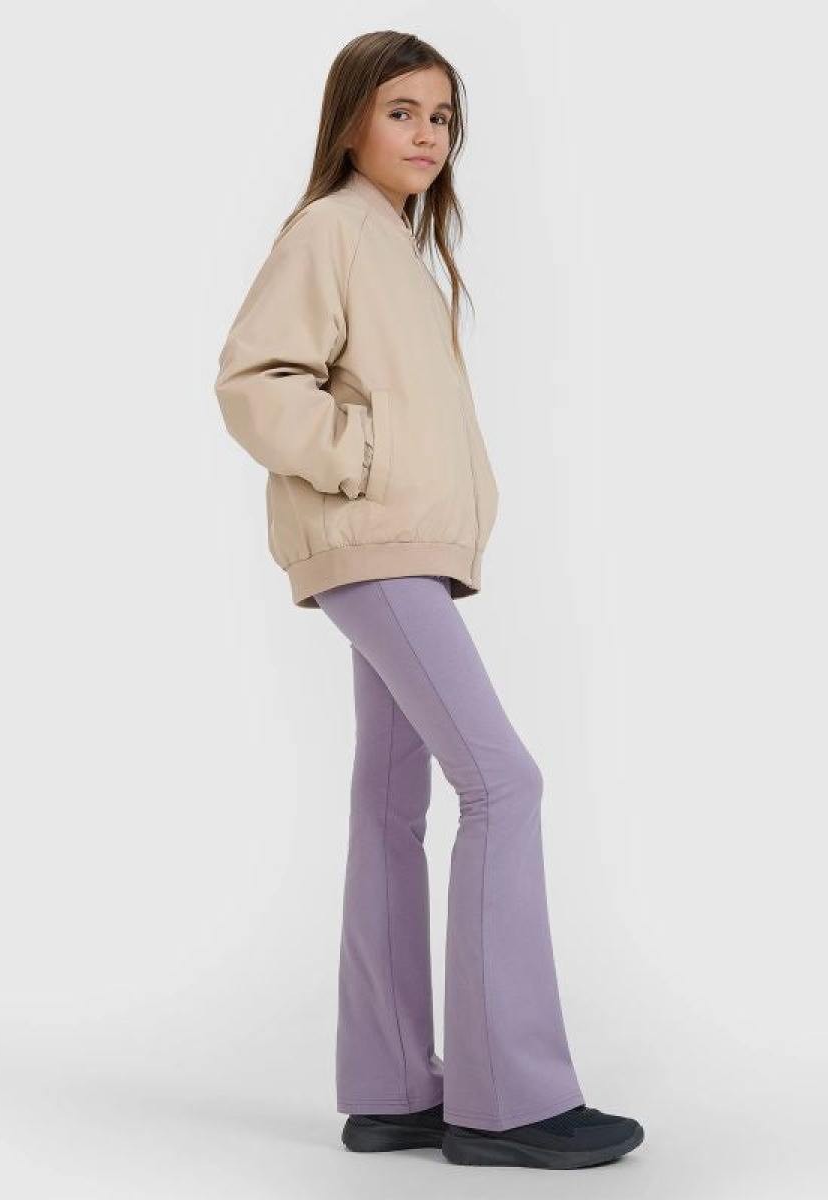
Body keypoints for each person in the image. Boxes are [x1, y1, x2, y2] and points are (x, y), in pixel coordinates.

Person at [212, 30, 644, 1170]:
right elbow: (254, 379)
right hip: (373, 548)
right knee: (504, 782)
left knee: (390, 803)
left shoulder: (394, 246)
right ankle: (510, 1099)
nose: (426, 134)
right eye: (401, 110)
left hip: (395, 549)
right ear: (351, 118)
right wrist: (358, 458)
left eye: (442, 116)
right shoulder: (332, 229)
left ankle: (395, 1088)